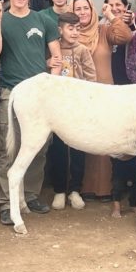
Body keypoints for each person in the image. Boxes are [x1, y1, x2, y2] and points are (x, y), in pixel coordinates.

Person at [0, 0, 61, 224]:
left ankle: (29, 195)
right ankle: (8, 202)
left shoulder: (43, 20)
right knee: (10, 148)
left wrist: (53, 81)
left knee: (38, 147)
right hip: (12, 91)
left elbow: (56, 57)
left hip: (40, 94)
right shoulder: (1, 19)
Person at [72, 0, 133, 199]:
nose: (82, 12)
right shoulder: (70, 34)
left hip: (106, 94)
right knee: (86, 139)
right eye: (77, 9)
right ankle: (85, 187)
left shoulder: (103, 30)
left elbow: (126, 37)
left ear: (92, 10)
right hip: (82, 95)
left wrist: (109, 16)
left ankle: (107, 189)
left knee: (106, 140)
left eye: (86, 8)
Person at [48, 11, 96, 209]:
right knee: (57, 149)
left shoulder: (83, 50)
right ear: (60, 29)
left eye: (78, 28)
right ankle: (59, 190)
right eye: (70, 28)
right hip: (58, 107)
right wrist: (47, 63)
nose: (75, 32)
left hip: (78, 107)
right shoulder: (53, 48)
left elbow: (92, 76)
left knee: (78, 148)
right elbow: (44, 73)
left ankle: (75, 190)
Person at [104, 0, 135, 86]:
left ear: (126, 7)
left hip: (127, 80)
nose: (114, 9)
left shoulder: (132, 26)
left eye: (118, 5)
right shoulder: (101, 26)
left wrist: (131, 24)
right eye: (110, 5)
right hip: (106, 80)